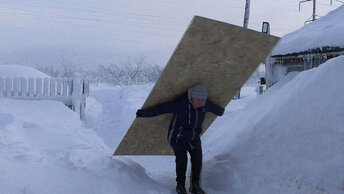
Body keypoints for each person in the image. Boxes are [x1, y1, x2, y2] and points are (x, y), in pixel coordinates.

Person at [136, 85, 225, 194]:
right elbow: (162, 109)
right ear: (191, 98)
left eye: (202, 101)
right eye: (198, 101)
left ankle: (195, 186)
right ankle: (180, 185)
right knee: (182, 161)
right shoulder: (181, 104)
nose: (200, 103)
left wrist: (220, 111)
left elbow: (218, 111)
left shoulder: (205, 104)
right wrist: (144, 113)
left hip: (194, 138)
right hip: (178, 138)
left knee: (197, 160)